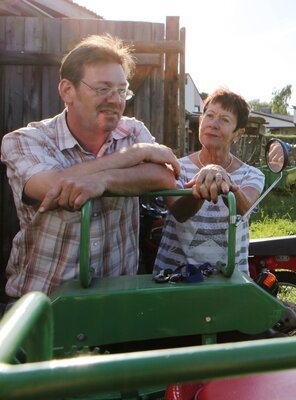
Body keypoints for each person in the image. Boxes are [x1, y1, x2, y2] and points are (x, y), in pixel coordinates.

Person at [0, 34, 180, 303]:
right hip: (43, 303)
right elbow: (54, 186)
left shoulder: (132, 131)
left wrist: (103, 181)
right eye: (102, 89)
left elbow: (163, 176)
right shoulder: (25, 140)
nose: (115, 100)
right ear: (67, 91)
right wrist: (134, 155)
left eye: (121, 90)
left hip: (115, 301)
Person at [153, 88, 264, 274]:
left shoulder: (251, 174)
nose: (213, 124)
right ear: (200, 122)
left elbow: (244, 209)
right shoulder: (176, 168)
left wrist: (222, 177)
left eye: (224, 119)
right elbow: (179, 212)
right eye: (209, 115)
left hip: (229, 279)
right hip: (174, 278)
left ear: (238, 134)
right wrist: (204, 181)